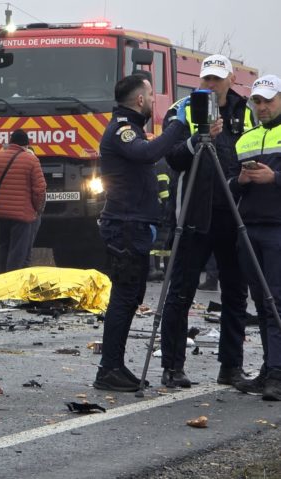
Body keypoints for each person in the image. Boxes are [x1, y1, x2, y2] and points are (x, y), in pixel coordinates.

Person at [158, 55, 255, 388]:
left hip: (234, 212)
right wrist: (198, 138)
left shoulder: (246, 111)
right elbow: (172, 157)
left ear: (230, 79)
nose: (211, 85)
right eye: (207, 79)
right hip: (194, 213)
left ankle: (231, 366)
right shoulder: (183, 109)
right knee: (181, 292)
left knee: (236, 292)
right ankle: (172, 367)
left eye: (217, 79)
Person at [92, 74, 188, 392]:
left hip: (133, 224)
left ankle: (115, 365)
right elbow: (147, 153)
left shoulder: (132, 127)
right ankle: (108, 369)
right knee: (124, 297)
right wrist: (178, 125)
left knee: (132, 296)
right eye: (151, 95)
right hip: (125, 226)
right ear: (140, 100)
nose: (154, 100)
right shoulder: (123, 129)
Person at [230, 74, 281, 400]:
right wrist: (241, 181)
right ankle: (268, 369)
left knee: (276, 302)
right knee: (262, 304)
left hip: (277, 229)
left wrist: (275, 177)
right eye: (257, 101)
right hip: (250, 229)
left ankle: (277, 373)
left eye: (268, 101)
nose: (262, 107)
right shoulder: (245, 139)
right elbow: (229, 186)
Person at [0, 129, 45, 274]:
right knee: (18, 250)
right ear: (26, 145)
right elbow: (40, 189)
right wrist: (37, 209)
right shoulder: (32, 160)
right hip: (23, 214)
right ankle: (13, 279)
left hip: (1, 213)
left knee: (3, 246)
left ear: (10, 142)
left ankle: (1, 276)